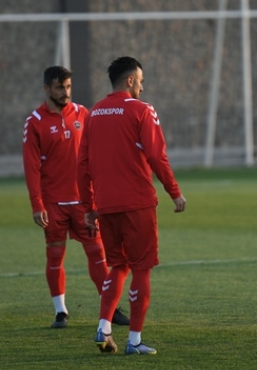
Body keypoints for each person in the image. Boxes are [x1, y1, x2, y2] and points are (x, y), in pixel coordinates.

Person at [78, 56, 186, 355]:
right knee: (141, 269)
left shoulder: (93, 113)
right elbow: (157, 156)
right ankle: (134, 340)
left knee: (118, 266)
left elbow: (82, 164)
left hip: (106, 206)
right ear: (129, 80)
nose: (142, 84)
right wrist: (174, 192)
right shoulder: (142, 110)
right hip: (137, 203)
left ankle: (104, 326)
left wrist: (89, 207)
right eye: (140, 79)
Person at [22, 66, 128, 328]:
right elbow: (31, 167)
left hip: (84, 202)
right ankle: (61, 312)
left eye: (68, 87)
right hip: (53, 204)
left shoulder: (83, 114)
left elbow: (100, 153)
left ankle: (110, 308)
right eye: (60, 87)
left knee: (98, 253)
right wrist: (37, 205)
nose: (65, 92)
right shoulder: (34, 122)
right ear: (47, 89)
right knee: (55, 256)